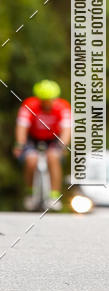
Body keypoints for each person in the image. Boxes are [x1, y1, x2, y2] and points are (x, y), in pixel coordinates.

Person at [13, 80, 71, 211]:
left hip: (53, 139)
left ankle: (54, 195)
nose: (48, 103)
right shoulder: (29, 105)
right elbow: (22, 127)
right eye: (44, 100)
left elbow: (67, 129)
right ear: (39, 99)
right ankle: (30, 193)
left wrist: (63, 145)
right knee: (31, 160)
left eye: (50, 100)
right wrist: (19, 144)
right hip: (32, 138)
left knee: (53, 157)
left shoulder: (63, 107)